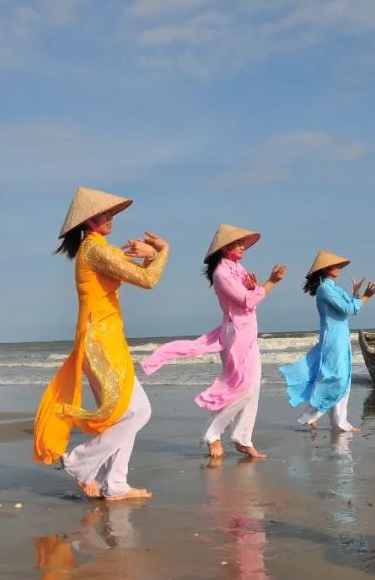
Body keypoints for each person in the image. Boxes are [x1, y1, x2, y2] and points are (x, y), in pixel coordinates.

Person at [33, 186, 169, 501]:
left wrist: (150, 257)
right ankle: (79, 461)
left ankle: (116, 483)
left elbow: (139, 274)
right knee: (136, 412)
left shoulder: (99, 249)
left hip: (105, 339)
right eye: (105, 213)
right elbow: (148, 280)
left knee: (129, 412)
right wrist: (163, 252)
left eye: (111, 213)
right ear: (88, 220)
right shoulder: (95, 249)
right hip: (100, 342)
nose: (111, 218)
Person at [141, 224, 287, 459]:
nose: (242, 246)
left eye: (243, 243)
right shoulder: (221, 272)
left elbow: (250, 296)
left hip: (249, 332)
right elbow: (247, 301)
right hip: (236, 334)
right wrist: (271, 282)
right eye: (236, 243)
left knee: (253, 389)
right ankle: (212, 435)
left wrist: (255, 287)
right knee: (243, 390)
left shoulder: (238, 269)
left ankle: (243, 438)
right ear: (223, 247)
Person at [280, 250, 375, 432]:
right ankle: (312, 416)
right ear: (325, 268)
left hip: (341, 337)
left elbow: (350, 306)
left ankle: (338, 422)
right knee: (337, 378)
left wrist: (356, 293)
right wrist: (365, 297)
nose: (338, 267)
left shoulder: (334, 288)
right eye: (335, 265)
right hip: (333, 338)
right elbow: (348, 309)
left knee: (343, 380)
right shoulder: (325, 289)